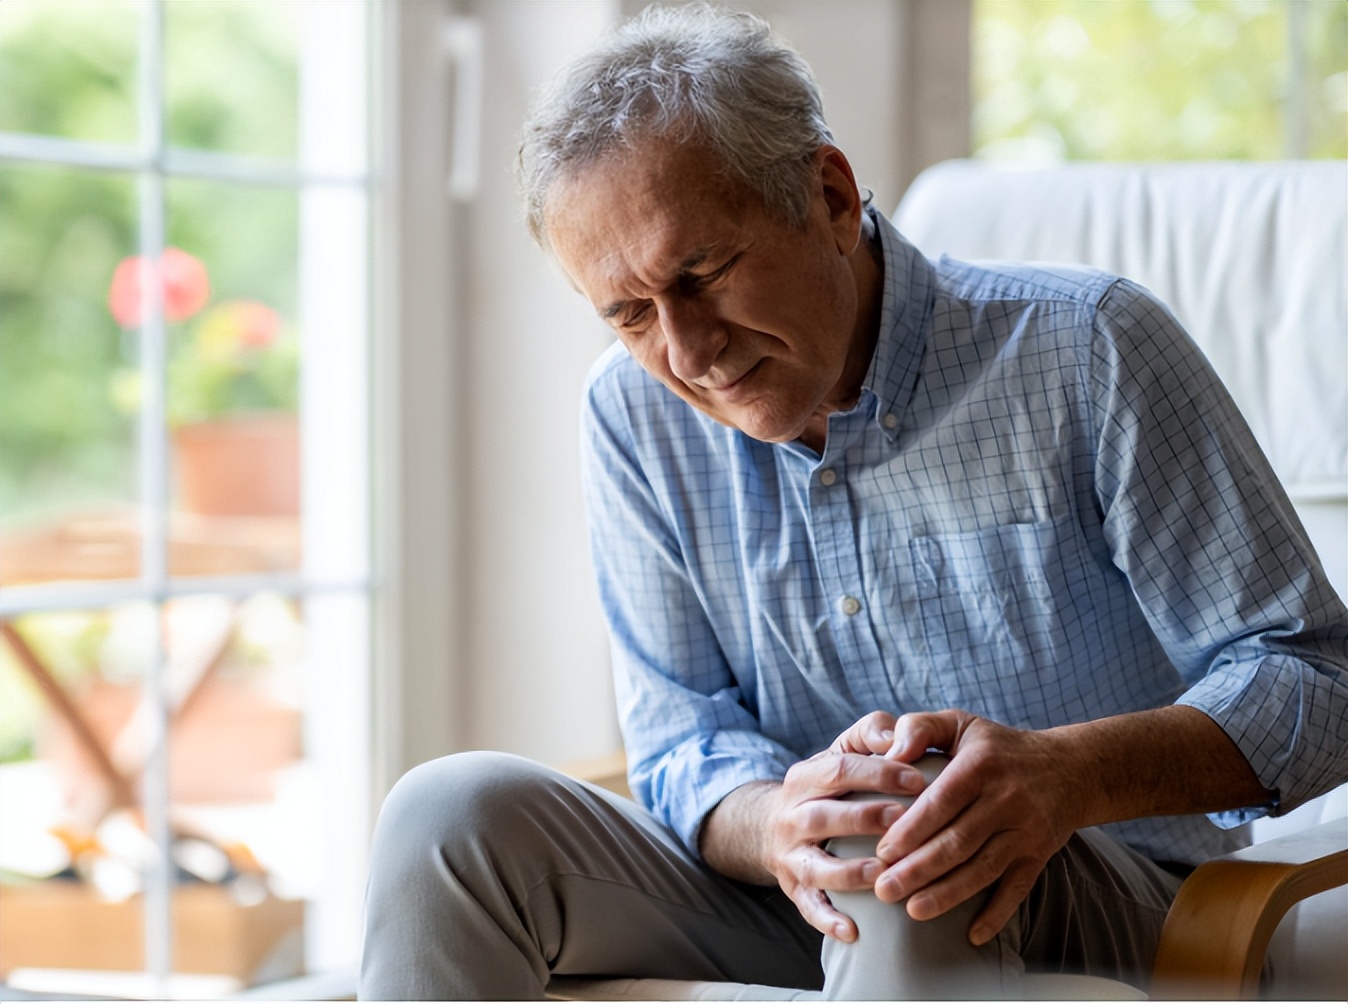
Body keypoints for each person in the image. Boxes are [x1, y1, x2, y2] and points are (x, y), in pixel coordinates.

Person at [358, 5, 1348, 999]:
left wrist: (1061, 773)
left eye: (701, 272)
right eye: (628, 314)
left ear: (828, 196)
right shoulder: (630, 415)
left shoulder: (1087, 350)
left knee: (912, 833)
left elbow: (1316, 679)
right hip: (809, 893)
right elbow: (682, 736)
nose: (688, 352)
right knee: (450, 814)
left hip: (1115, 896)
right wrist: (778, 817)